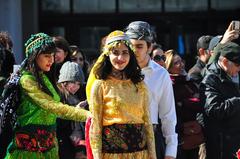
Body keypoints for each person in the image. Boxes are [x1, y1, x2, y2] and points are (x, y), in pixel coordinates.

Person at [4, 33, 91, 159]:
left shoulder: (45, 77)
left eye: (52, 55)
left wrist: (77, 109)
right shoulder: (26, 80)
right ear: (34, 57)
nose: (51, 59)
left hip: (49, 149)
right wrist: (87, 115)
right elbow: (52, 106)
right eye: (46, 56)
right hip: (28, 151)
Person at [86, 30, 156, 159]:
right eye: (115, 53)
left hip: (140, 154)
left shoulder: (140, 85)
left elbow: (147, 123)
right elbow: (96, 126)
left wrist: (152, 155)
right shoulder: (100, 85)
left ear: (131, 55)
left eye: (125, 53)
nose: (120, 58)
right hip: (112, 155)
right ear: (107, 55)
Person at [125, 21, 177, 159]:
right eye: (130, 46)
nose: (134, 51)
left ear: (149, 47)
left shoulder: (161, 74)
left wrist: (171, 152)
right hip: (122, 139)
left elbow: (168, 116)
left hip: (152, 140)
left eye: (139, 46)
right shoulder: (118, 73)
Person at [165, 49, 203, 159]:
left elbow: (200, 102)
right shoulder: (169, 84)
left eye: (181, 61)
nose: (181, 65)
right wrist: (188, 101)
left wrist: (185, 102)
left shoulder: (188, 80)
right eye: (176, 63)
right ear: (169, 67)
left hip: (194, 131)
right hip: (178, 133)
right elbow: (176, 107)